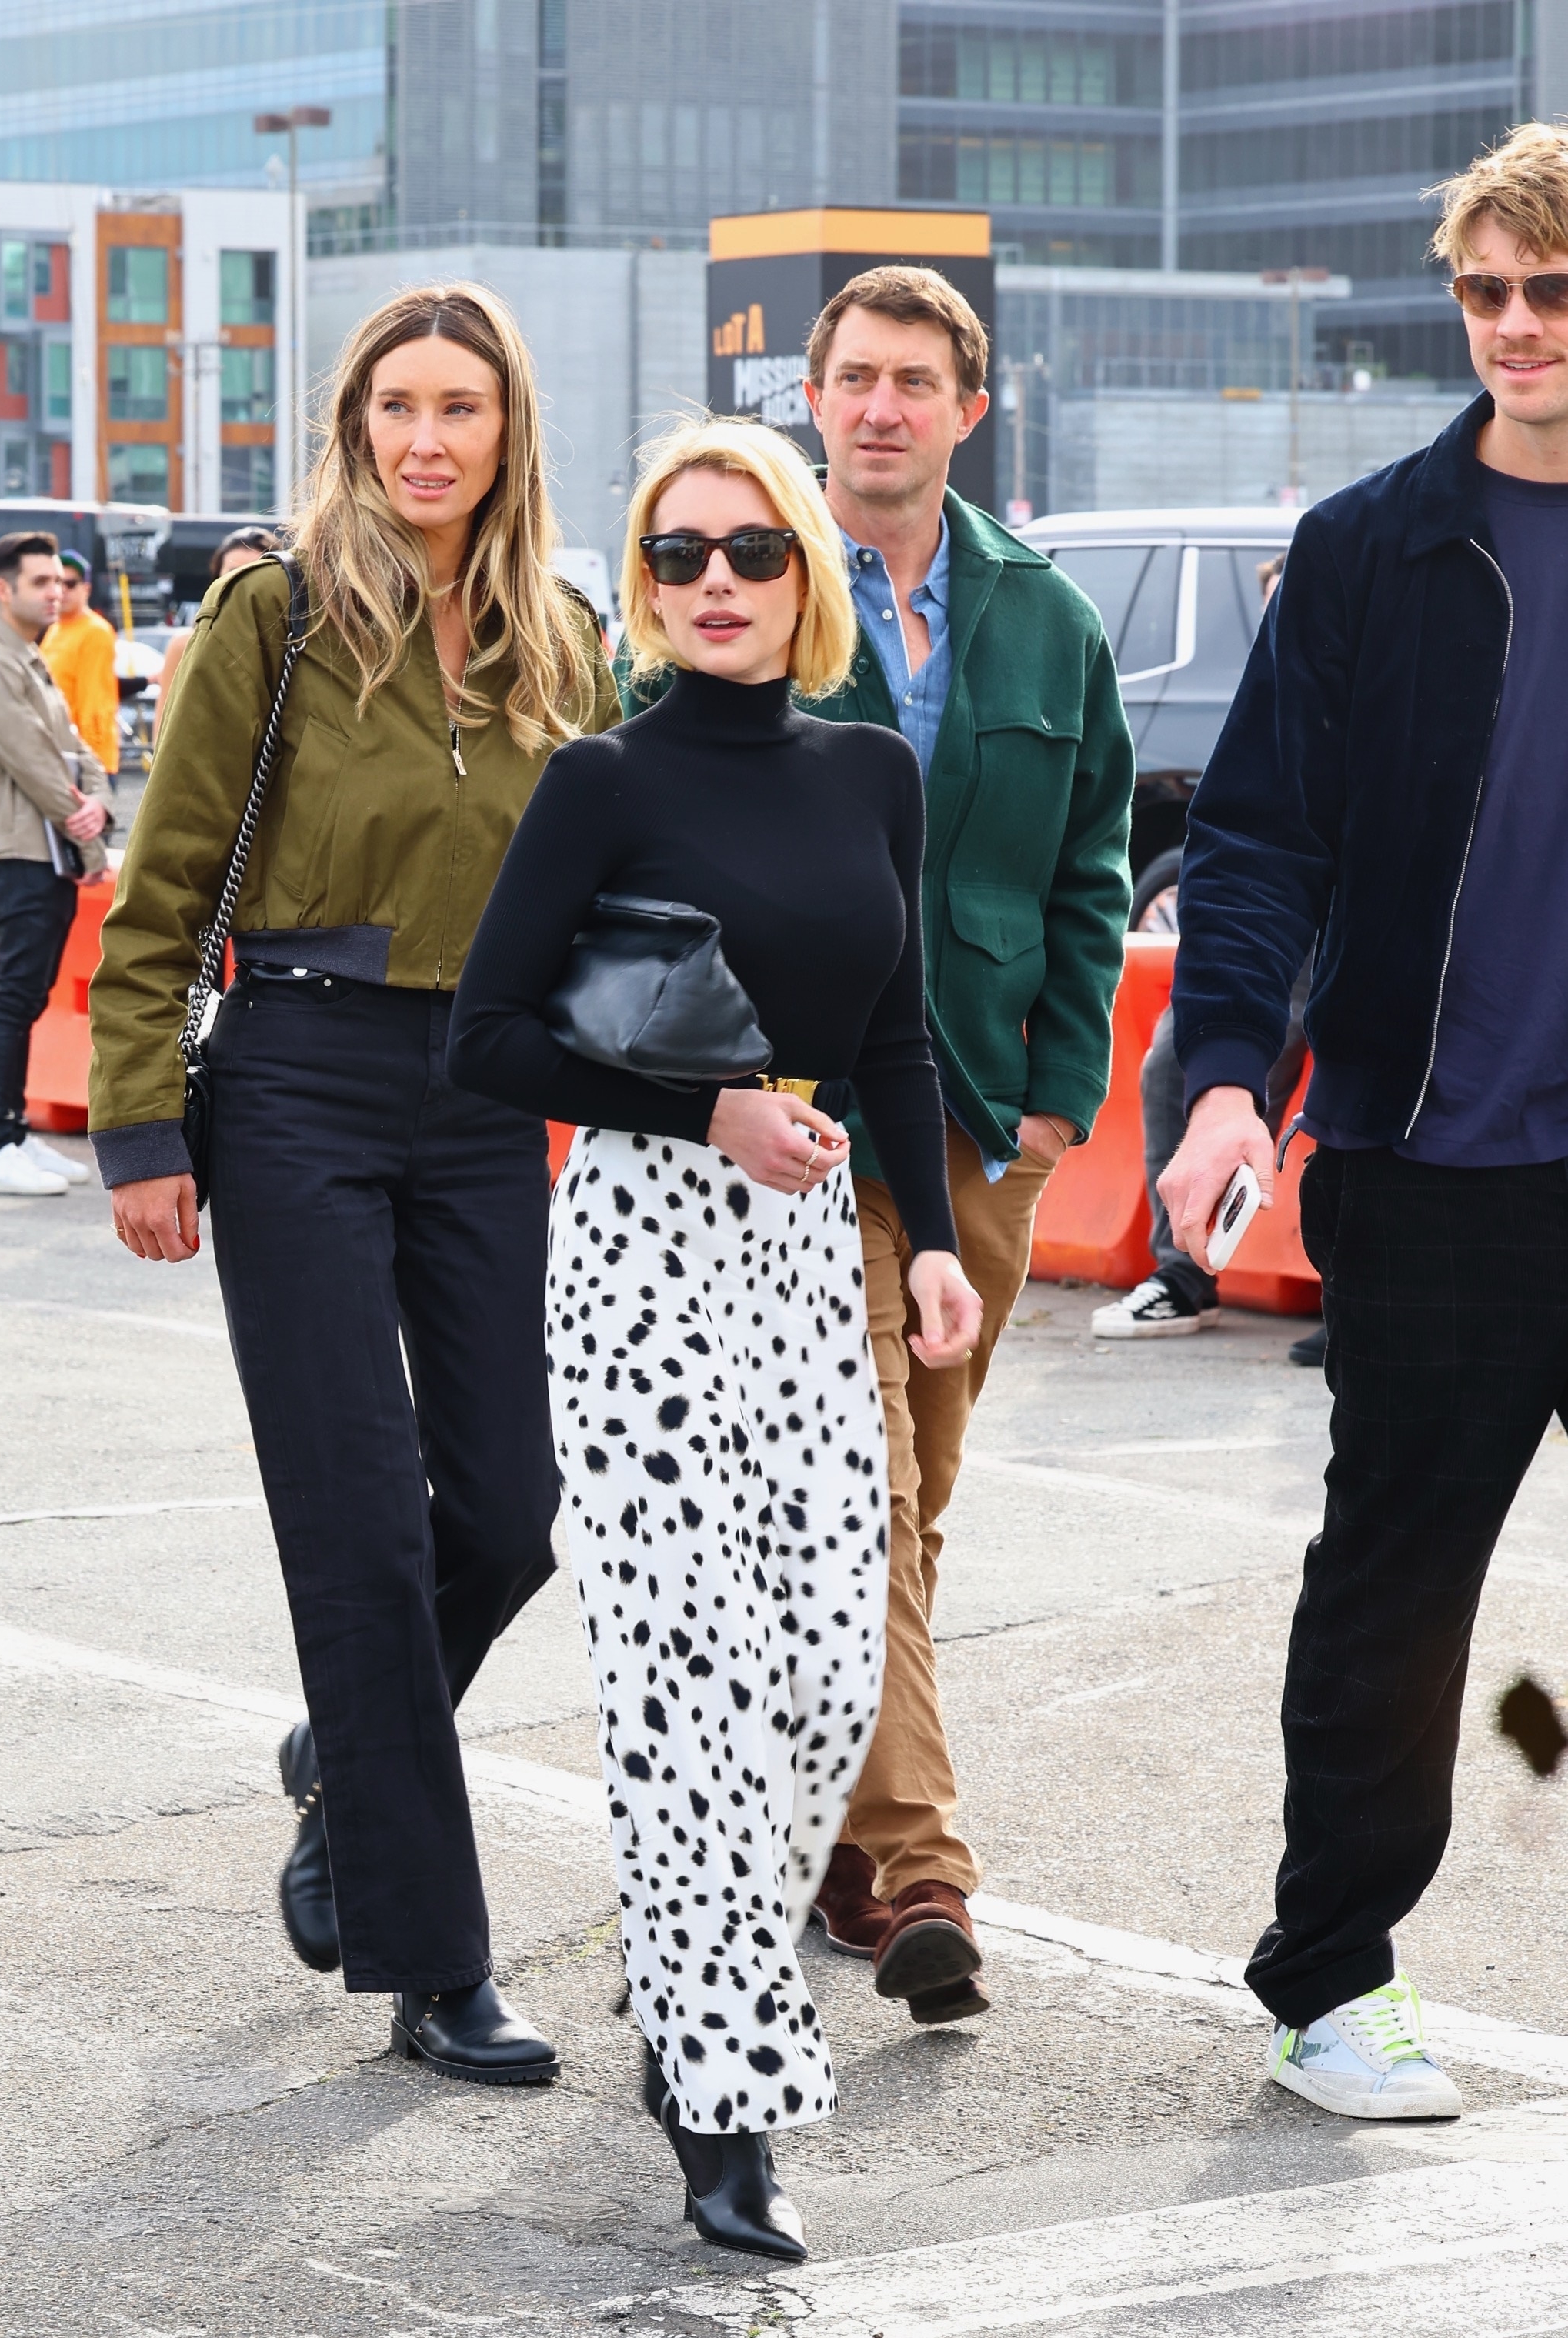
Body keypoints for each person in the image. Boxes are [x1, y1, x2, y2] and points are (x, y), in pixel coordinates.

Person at [448, 416, 983, 2258]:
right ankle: (720, 2088)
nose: (715, 583)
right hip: (643, 1250)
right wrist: (707, 1112)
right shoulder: (601, 780)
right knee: (691, 1689)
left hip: (812, 1243)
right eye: (677, 555)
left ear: (805, 570)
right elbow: (488, 1038)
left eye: (751, 549)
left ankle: (692, 1973)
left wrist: (928, 1247)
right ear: (646, 586)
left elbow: (896, 1027)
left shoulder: (871, 772)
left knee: (827, 1673)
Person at [88, 285, 618, 2085]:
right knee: (364, 1522)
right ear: (355, 425)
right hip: (297, 1079)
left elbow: (623, 887)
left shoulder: (563, 636)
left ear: (506, 426)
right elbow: (165, 878)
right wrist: (141, 1127)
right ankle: (432, 1959)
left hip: (486, 1093)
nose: (426, 438)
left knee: (514, 1504)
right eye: (397, 405)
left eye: (460, 406)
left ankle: (350, 1745)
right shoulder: (281, 612)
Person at [618, 265, 1135, 2026]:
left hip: (981, 1114)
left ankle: (839, 1828)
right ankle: (922, 1869)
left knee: (917, 1496)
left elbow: (1092, 869)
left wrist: (1059, 1097)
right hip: (792, 1114)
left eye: (917, 380)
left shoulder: (1045, 618)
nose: (882, 406)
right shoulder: (736, 572)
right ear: (813, 396)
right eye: (854, 377)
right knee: (870, 1492)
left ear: (968, 409)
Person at [1158, 123, 1568, 2123]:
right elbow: (1255, 843)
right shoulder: (1372, 550)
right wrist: (1224, 1076)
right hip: (1429, 1167)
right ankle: (1329, 1981)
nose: (1513, 325)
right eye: (1483, 290)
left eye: (1548, 289)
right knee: (1396, 1595)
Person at [1093, 556, 1329, 1353]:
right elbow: (1233, 847)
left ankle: (1357, 1296)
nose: (1284, 623)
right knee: (1174, 1061)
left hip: (1377, 926)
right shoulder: (1260, 703)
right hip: (1278, 925)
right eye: (1273, 608)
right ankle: (1183, 1272)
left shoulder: (1387, 676)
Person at [0, 532, 111, 1196]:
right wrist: (90, 833)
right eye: (40, 581)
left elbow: (79, 754)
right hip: (18, 849)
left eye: (59, 581)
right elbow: (39, 765)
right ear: (2, 588)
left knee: (28, 993)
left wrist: (99, 802)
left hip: (46, 850)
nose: (55, 592)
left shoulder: (28, 657)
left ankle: (12, 1132)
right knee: (15, 994)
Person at [152, 528, 275, 745]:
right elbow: (163, 732)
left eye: (255, 573)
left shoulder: (291, 647)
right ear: (217, 577)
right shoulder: (185, 645)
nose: (242, 584)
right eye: (233, 572)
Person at [41, 551, 120, 785]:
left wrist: (90, 767)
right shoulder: (54, 629)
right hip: (59, 756)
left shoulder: (95, 631)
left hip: (81, 762)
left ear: (86, 589)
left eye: (70, 583)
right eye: (57, 582)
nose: (62, 590)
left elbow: (94, 705)